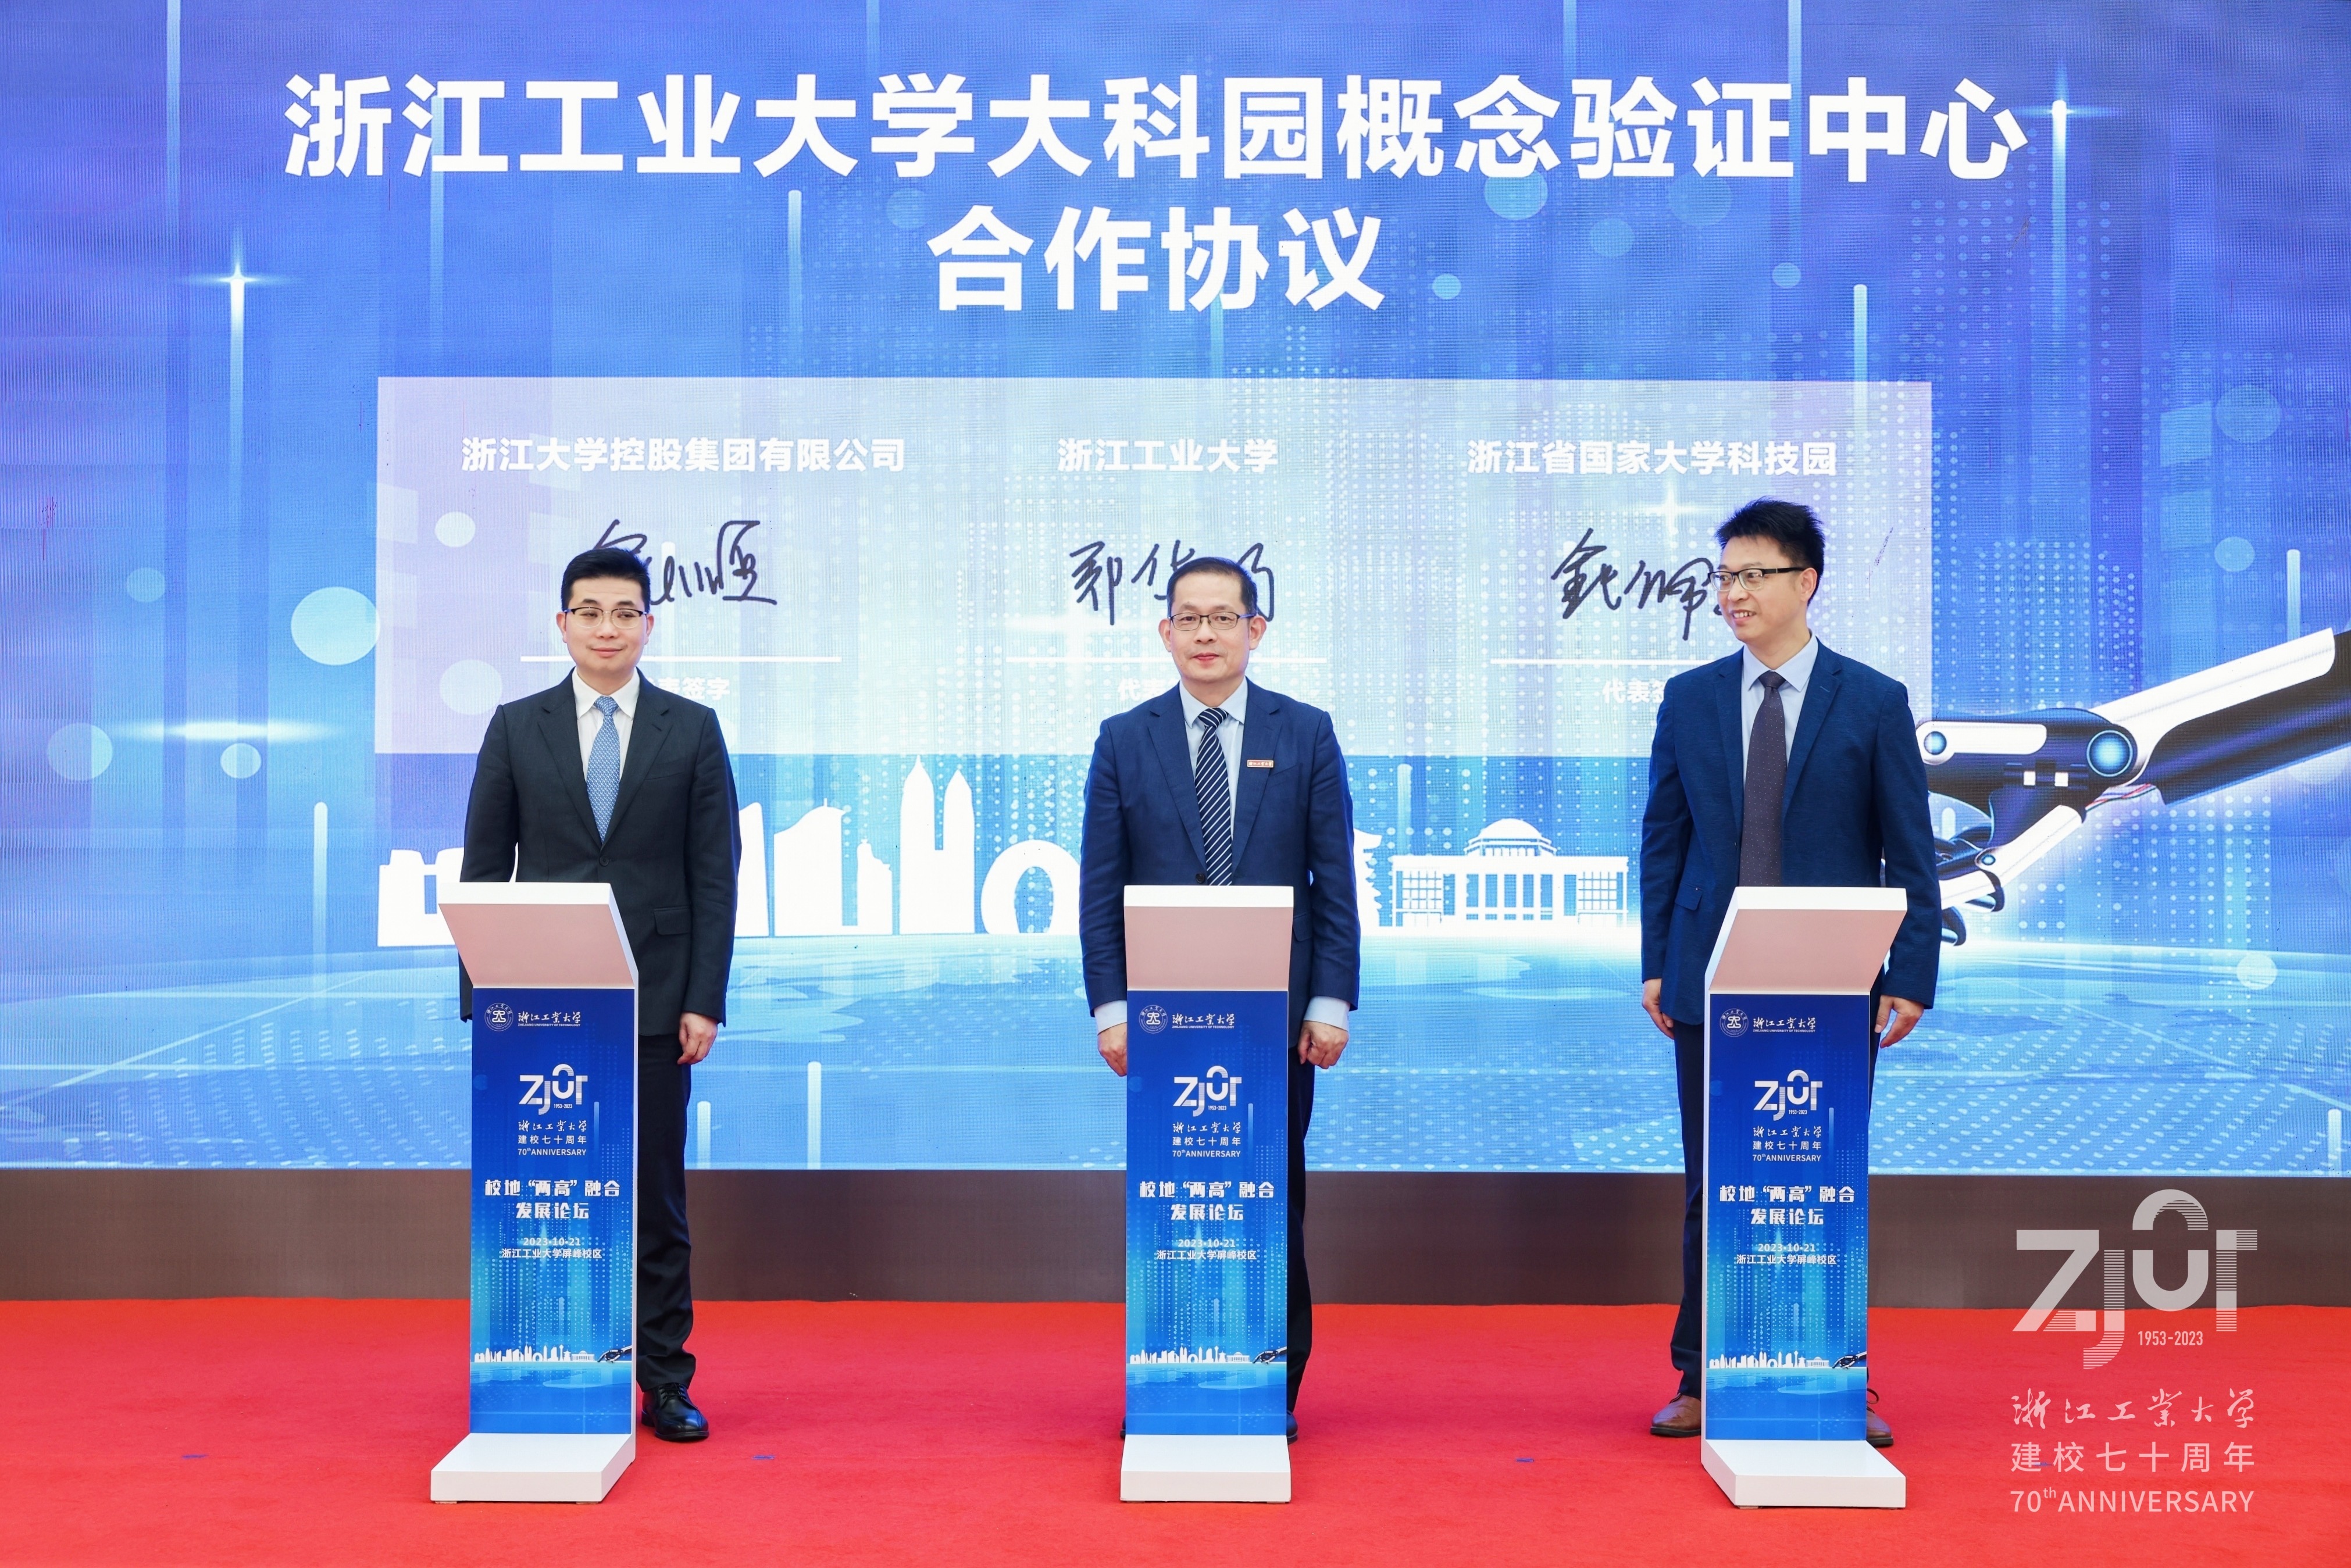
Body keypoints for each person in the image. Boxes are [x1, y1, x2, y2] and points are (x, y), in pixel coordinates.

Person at [1636, 499, 1939, 1448]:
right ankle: (1702, 1373)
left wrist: (1911, 972)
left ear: (1805, 582)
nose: (1732, 593)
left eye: (1752, 575)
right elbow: (1664, 838)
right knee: (1713, 1181)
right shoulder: (1690, 697)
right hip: (1709, 972)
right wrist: (1657, 961)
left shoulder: (1873, 700)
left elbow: (1910, 850)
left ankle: (1834, 1370)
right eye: (1724, 577)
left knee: (1824, 1179)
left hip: (1831, 976)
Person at [459, 544, 740, 1443]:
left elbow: (715, 876)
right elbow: (483, 870)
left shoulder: (691, 729)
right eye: (589, 612)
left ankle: (664, 1380)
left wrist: (704, 998)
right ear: (562, 623)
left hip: (656, 1003)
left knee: (654, 1201)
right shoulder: (516, 726)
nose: (607, 628)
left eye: (625, 613)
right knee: (541, 1196)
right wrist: (483, 999)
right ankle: (550, 1361)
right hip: (540, 1006)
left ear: (648, 624)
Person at [1079, 556, 1362, 1443]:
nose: (1206, 633)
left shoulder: (1305, 732)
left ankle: (1271, 1380)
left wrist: (1331, 1002)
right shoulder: (1124, 739)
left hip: (1274, 1021)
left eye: (1224, 617)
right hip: (1163, 1023)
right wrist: (1111, 1009)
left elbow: (1333, 881)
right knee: (1172, 1199)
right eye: (1190, 618)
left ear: (1255, 629)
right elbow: (1100, 889)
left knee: (1272, 1196)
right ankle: (1171, 1370)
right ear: (1165, 632)